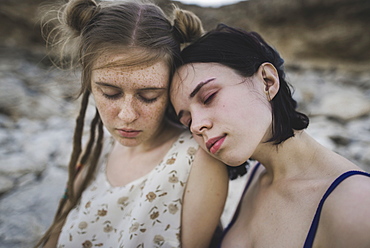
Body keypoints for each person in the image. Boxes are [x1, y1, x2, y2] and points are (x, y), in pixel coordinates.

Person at [35, 1, 228, 247]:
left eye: (149, 96)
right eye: (109, 93)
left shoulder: (196, 161)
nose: (127, 115)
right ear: (89, 83)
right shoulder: (94, 152)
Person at [170, 24, 370, 248]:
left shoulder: (358, 207)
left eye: (208, 97)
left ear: (267, 80)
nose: (197, 126)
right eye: (186, 121)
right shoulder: (257, 176)